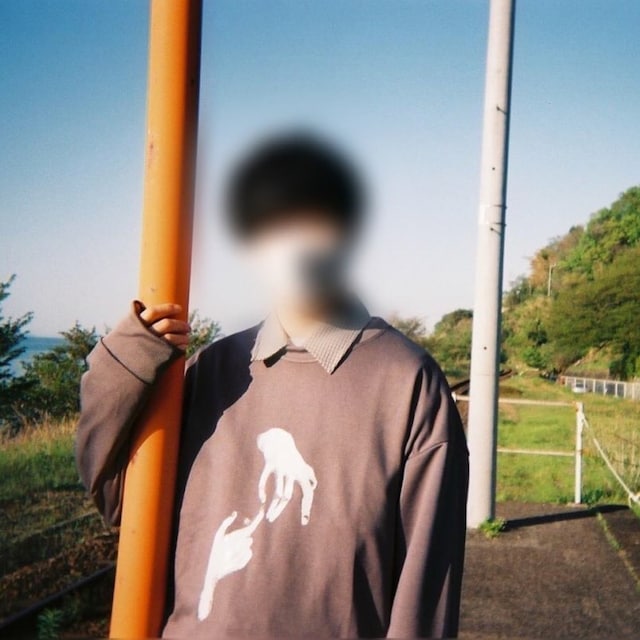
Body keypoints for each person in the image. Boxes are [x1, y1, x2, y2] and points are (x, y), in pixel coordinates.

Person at [76, 132, 468, 638]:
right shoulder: (209, 370)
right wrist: (125, 362)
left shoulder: (407, 382)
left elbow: (425, 595)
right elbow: (118, 502)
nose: (292, 240)